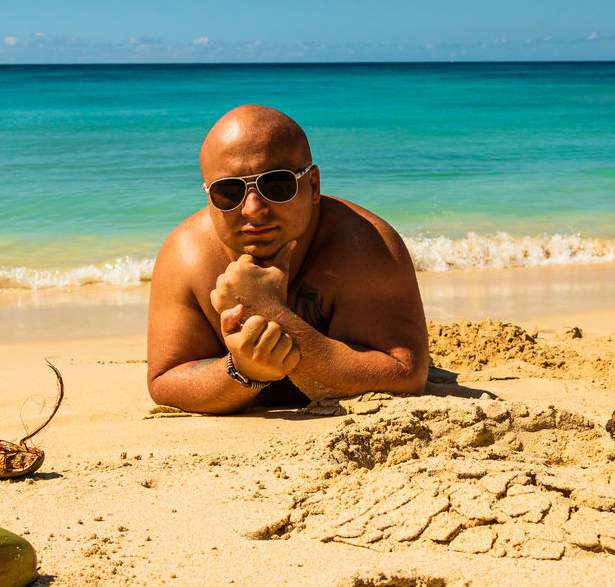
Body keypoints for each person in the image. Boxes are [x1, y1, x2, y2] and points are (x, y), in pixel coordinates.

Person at [146, 104, 429, 414]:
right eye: (228, 191)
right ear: (208, 196)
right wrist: (243, 371)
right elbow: (164, 381)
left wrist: (269, 314)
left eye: (276, 184)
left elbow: (407, 374)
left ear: (313, 185)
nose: (253, 208)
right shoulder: (186, 256)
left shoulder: (366, 245)